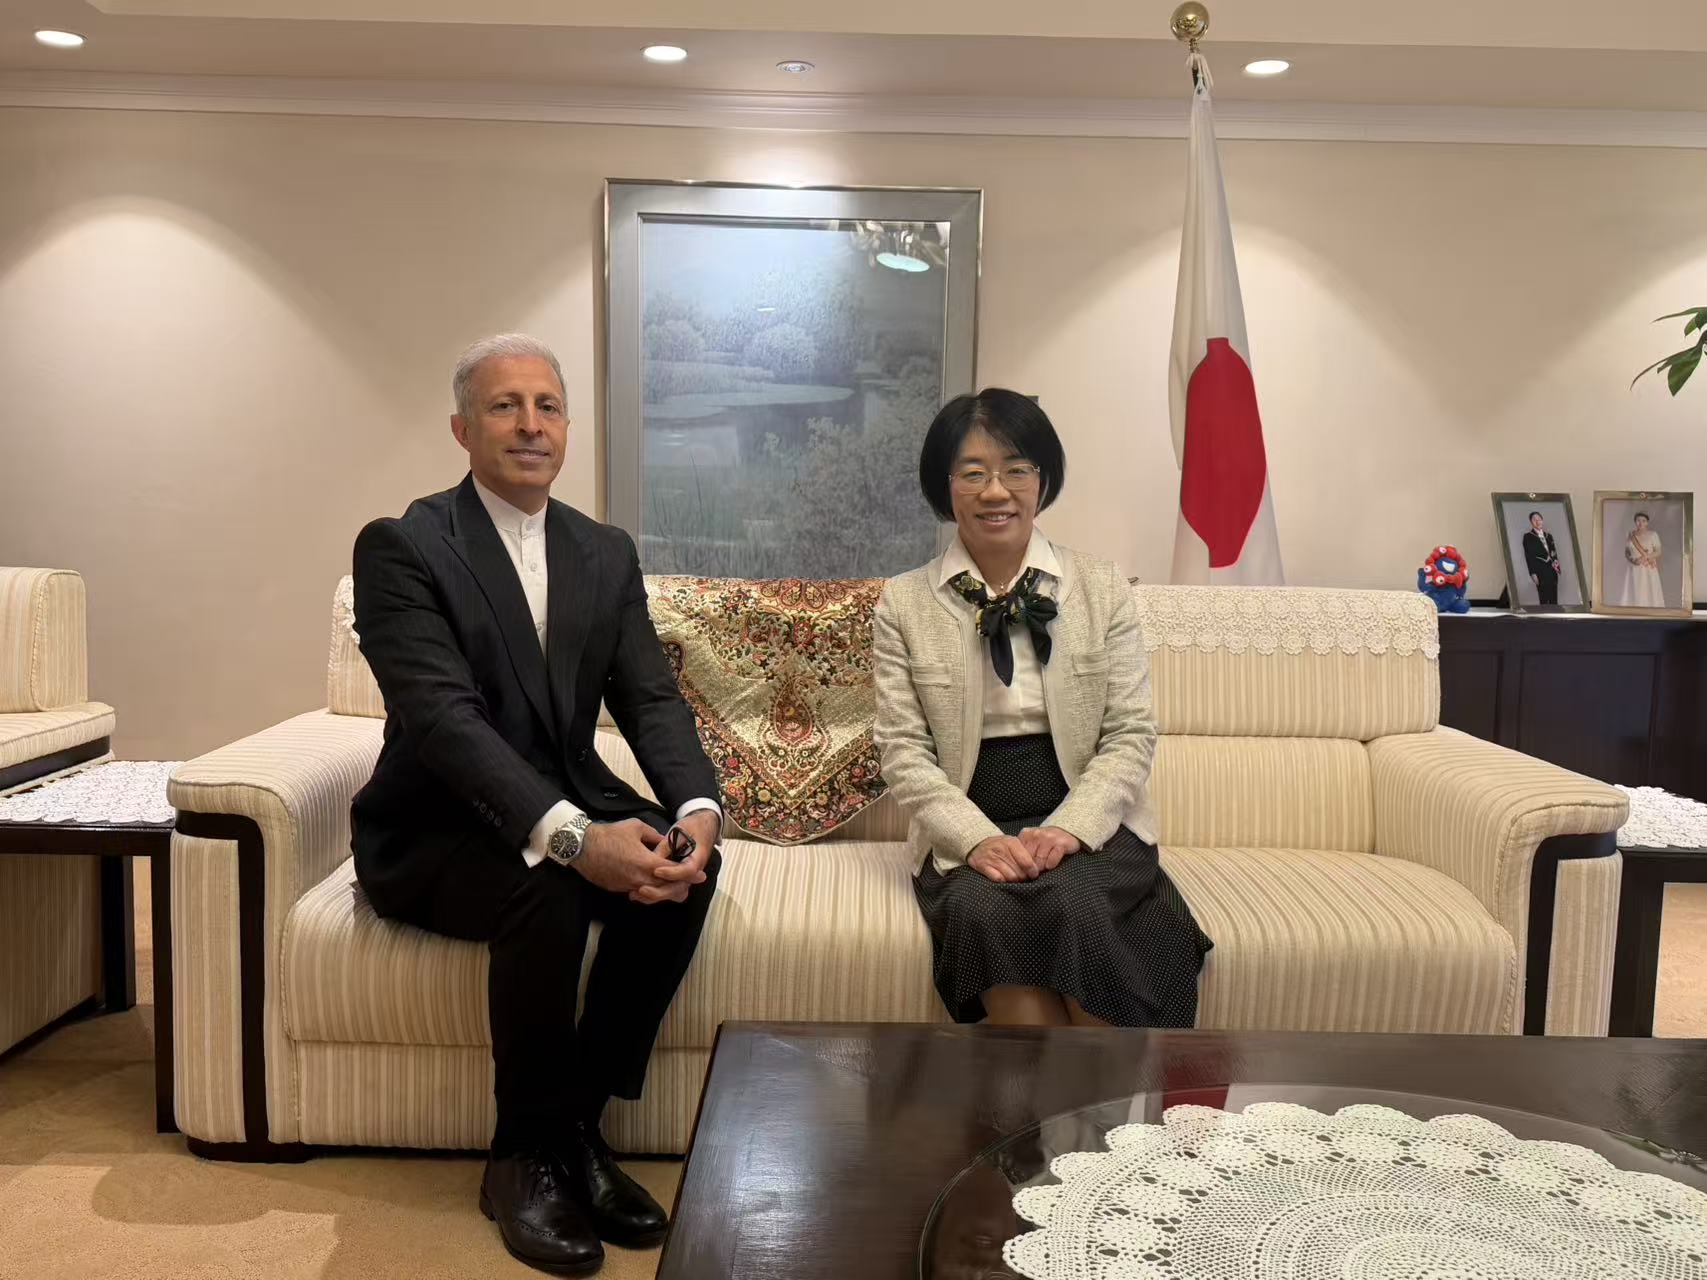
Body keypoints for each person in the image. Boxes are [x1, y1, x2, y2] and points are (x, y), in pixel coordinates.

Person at [350, 334, 722, 1276]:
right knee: (548, 881)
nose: (529, 425)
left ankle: (574, 1132)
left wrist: (697, 808)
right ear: (462, 429)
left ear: (566, 426)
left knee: (687, 865)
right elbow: (446, 722)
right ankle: (519, 1158)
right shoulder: (404, 546)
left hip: (566, 797)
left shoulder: (602, 550)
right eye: (504, 406)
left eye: (547, 406)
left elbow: (649, 697)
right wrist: (572, 837)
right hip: (434, 826)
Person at [872, 388, 1212, 1029]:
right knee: (983, 908)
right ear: (945, 486)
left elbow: (1130, 732)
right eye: (973, 473)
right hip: (969, 811)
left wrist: (1072, 828)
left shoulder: (1101, 587)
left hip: (1085, 808)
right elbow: (903, 751)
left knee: (1073, 900)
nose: (995, 491)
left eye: (1016, 470)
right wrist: (974, 839)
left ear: (1042, 479)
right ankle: (1081, 1097)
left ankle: (1079, 1096)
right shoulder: (904, 603)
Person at [1619, 511, 1666, 608]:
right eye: (1638, 520)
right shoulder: (1630, 535)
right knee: (1634, 591)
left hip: (1647, 568)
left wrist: (1645, 557)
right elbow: (1627, 552)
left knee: (1648, 591)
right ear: (1635, 522)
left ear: (1647, 522)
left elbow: (1658, 551)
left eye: (1643, 521)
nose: (1641, 523)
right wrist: (1633, 561)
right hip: (1633, 569)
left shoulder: (1653, 535)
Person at [1522, 511, 1563, 606]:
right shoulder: (1528, 537)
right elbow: (1529, 556)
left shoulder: (1549, 536)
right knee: (1544, 599)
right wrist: (1533, 573)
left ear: (1542, 520)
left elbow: (1554, 553)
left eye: (1539, 519)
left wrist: (1557, 568)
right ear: (1531, 522)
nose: (1537, 522)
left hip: (1552, 570)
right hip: (1540, 571)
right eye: (1534, 520)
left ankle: (1554, 614)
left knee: (1554, 599)